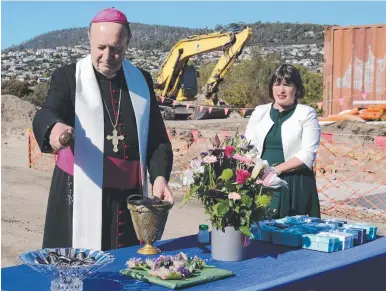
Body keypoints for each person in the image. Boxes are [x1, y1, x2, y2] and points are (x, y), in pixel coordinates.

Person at [32, 7, 174, 251]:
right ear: (89, 40)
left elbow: (158, 139)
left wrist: (160, 177)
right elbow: (47, 112)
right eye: (100, 48)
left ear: (127, 44)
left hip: (129, 197)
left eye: (116, 49)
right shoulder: (68, 77)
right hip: (77, 192)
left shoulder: (141, 80)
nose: (108, 56)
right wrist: (55, 130)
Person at [245, 64, 321, 218]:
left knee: (292, 235)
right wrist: (255, 170)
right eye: (277, 84)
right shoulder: (259, 112)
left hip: (294, 184)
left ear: (297, 89)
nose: (281, 90)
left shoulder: (306, 114)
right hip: (260, 181)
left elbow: (307, 153)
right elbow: (247, 146)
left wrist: (274, 171)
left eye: (287, 84)